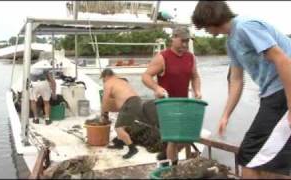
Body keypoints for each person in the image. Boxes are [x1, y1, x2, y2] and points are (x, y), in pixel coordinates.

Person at [192, 1, 291, 178]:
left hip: (283, 91)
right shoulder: (231, 42)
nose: (203, 30)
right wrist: (225, 115)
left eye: (203, 26)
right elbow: (236, 80)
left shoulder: (246, 26)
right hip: (272, 95)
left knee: (249, 154)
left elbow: (282, 60)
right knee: (270, 160)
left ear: (210, 18)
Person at [142, 26, 202, 166]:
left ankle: (165, 158)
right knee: (173, 138)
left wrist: (197, 91)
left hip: (184, 103)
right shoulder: (162, 57)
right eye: (183, 41)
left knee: (188, 136)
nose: (185, 44)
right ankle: (172, 168)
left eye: (188, 41)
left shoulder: (190, 57)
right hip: (166, 104)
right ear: (173, 38)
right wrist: (156, 87)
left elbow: (195, 76)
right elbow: (145, 76)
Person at [100, 68, 144, 159]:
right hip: (137, 101)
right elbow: (119, 98)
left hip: (129, 103)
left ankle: (132, 149)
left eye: (103, 79)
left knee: (118, 128)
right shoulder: (121, 81)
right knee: (122, 125)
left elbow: (104, 101)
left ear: (106, 76)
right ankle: (119, 143)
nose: (103, 81)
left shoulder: (108, 83)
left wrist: (103, 114)